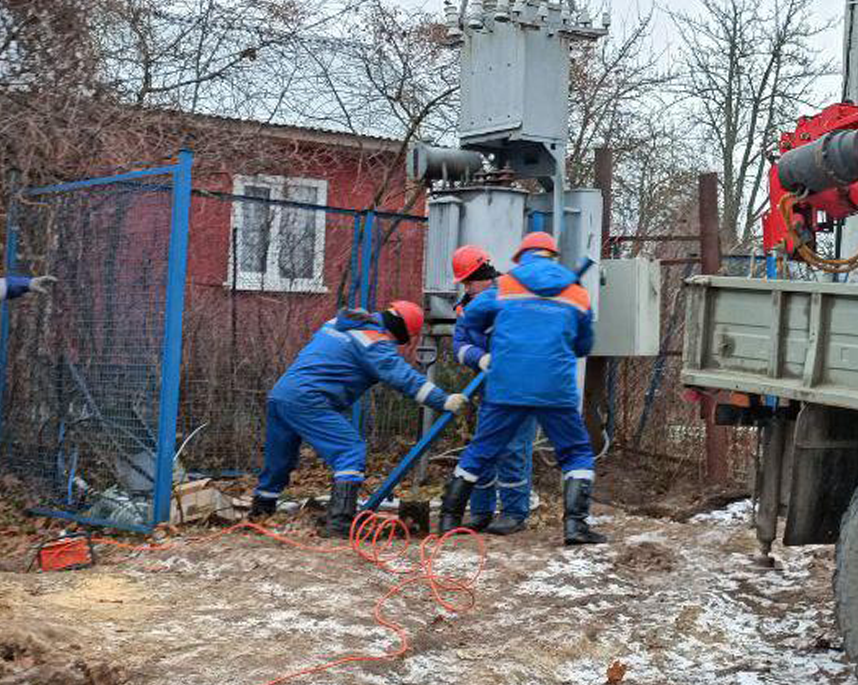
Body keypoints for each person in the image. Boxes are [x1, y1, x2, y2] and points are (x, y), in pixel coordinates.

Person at [439, 231, 605, 545]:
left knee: (482, 449)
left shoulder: (504, 285)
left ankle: (449, 518)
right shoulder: (576, 291)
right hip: (555, 387)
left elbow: (469, 316)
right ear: (552, 255)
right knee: (576, 452)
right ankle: (575, 526)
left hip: (507, 384)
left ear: (521, 256)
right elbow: (584, 345)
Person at [250, 300, 466, 537]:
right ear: (402, 331)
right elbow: (403, 377)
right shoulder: (374, 342)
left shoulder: (341, 323)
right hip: (310, 400)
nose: (395, 345)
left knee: (279, 458)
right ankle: (340, 522)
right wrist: (442, 400)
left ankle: (261, 511)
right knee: (349, 451)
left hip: (282, 394)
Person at [449, 244, 537, 535]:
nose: (467, 286)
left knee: (514, 448)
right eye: (464, 282)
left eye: (469, 281)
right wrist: (480, 357)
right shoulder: (466, 308)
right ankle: (481, 511)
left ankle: (514, 513)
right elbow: (459, 346)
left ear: (484, 275)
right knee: (484, 447)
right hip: (491, 389)